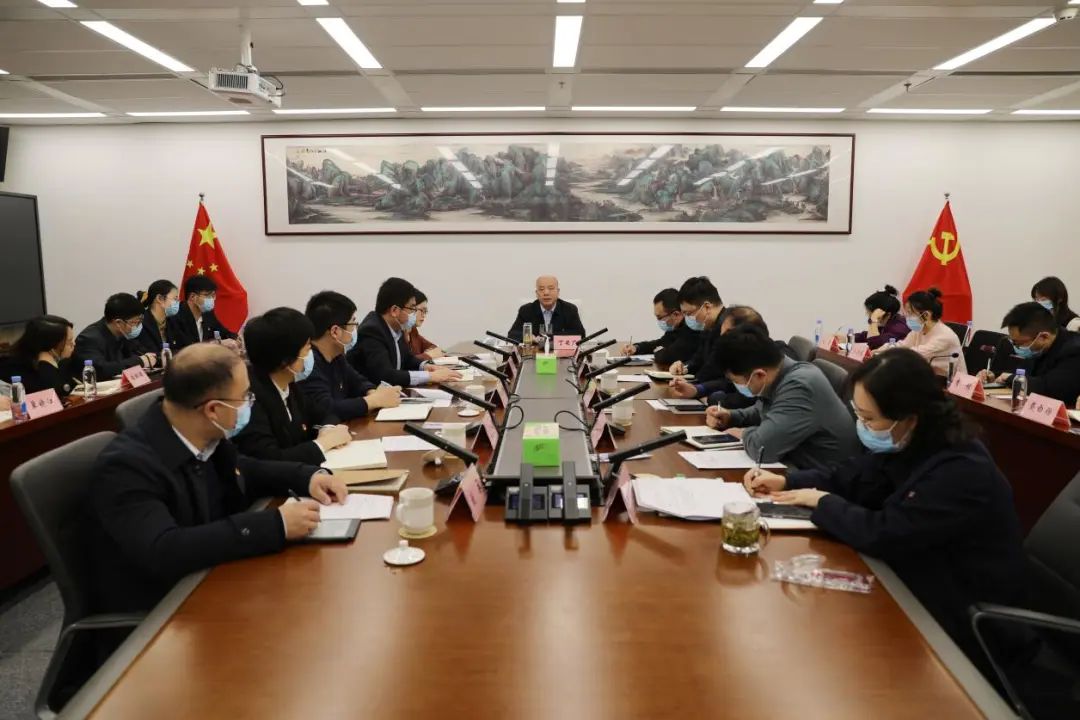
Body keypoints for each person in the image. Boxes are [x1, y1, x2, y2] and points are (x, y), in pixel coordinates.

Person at [746, 349, 1026, 675]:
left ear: (910, 417)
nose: (862, 426)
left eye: (869, 419)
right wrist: (787, 480)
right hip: (916, 580)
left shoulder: (961, 468)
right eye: (858, 415)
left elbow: (886, 533)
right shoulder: (909, 441)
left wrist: (822, 502)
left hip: (961, 617)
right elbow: (852, 476)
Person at [88, 344, 349, 613]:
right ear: (213, 410)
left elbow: (244, 468)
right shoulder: (126, 467)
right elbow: (165, 549)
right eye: (245, 396)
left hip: (215, 575)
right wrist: (276, 524)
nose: (250, 403)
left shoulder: (200, 432)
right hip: (167, 608)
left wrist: (307, 477)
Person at [706, 325, 860, 471]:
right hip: (797, 462)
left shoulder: (800, 386)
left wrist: (744, 433)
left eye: (737, 382)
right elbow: (763, 410)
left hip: (821, 476)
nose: (738, 386)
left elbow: (763, 449)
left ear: (759, 375)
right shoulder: (779, 373)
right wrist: (731, 416)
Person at [235, 308, 352, 464]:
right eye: (308, 349)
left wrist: (327, 429)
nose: (310, 355)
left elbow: (325, 413)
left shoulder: (290, 385)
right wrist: (323, 444)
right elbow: (269, 459)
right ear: (285, 359)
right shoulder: (250, 397)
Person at [298, 290, 401, 421]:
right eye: (353, 324)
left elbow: (358, 381)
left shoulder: (337, 357)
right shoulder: (307, 364)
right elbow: (327, 408)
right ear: (335, 331)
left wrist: (373, 392)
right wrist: (374, 401)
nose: (355, 330)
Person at [348, 277, 462, 388]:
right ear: (394, 310)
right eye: (412, 309)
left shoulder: (397, 327)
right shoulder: (372, 331)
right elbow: (385, 376)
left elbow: (407, 359)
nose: (414, 314)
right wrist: (430, 376)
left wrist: (426, 367)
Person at [978, 302, 1080, 407]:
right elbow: (1022, 373)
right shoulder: (1039, 349)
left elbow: (1050, 389)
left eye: (1019, 343)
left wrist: (1009, 378)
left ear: (1043, 337)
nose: (1016, 348)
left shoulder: (1074, 351)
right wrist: (994, 376)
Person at [879, 288, 967, 376]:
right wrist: (880, 350)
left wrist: (887, 353)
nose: (907, 317)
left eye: (910, 313)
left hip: (948, 382)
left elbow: (913, 355)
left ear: (926, 315)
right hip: (927, 376)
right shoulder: (919, 330)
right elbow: (902, 345)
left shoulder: (944, 337)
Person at [72, 293, 158, 378]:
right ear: (118, 323)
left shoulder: (124, 334)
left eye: (139, 322)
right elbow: (101, 369)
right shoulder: (89, 339)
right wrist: (140, 361)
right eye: (134, 322)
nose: (137, 326)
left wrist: (155, 358)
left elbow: (143, 353)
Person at [667, 275, 725, 381]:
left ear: (707, 307)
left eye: (688, 313)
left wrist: (695, 386)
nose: (687, 319)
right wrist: (684, 367)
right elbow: (698, 360)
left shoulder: (730, 328)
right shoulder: (708, 327)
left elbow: (715, 372)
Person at [622, 288, 700, 365]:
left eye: (660, 317)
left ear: (676, 314)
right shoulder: (675, 328)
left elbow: (667, 357)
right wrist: (636, 348)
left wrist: (659, 351)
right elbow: (660, 343)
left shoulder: (691, 329)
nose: (659, 321)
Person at [7, 315, 76, 396]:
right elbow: (56, 394)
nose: (74, 344)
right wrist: (47, 363)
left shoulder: (63, 362)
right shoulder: (24, 371)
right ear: (52, 345)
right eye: (69, 342)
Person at [507, 275, 585, 342]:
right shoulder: (526, 310)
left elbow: (580, 335)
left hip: (561, 354)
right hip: (534, 354)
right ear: (536, 293)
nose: (546, 293)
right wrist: (529, 337)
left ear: (558, 292)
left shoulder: (570, 309)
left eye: (551, 288)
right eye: (541, 289)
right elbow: (512, 335)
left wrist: (547, 338)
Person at [170, 275, 238, 351]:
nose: (212, 299)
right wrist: (216, 343)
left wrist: (236, 339)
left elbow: (224, 333)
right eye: (208, 295)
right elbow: (185, 348)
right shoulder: (176, 315)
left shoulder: (208, 313)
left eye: (213, 295)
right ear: (192, 297)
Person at [853, 284, 909, 349]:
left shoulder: (899, 327)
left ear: (887, 314)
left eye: (871, 313)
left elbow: (874, 344)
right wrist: (845, 338)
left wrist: (874, 319)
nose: (867, 314)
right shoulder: (888, 322)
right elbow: (864, 337)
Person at [134, 279, 181, 357]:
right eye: (175, 299)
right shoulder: (140, 324)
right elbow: (145, 353)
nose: (178, 302)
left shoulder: (174, 322)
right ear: (159, 298)